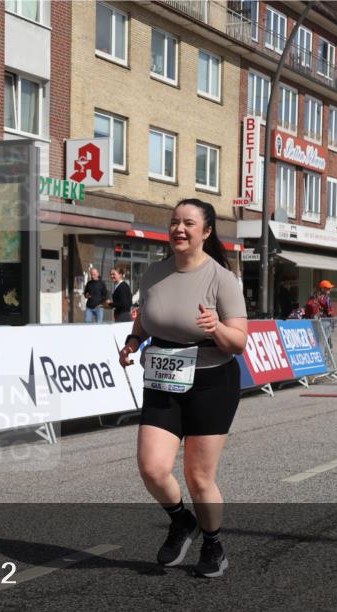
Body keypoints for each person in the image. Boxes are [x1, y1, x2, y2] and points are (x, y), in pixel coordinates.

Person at [118, 198, 247, 578]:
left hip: (211, 381)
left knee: (198, 477)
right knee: (152, 468)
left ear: (206, 232)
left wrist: (216, 327)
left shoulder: (222, 279)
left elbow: (238, 342)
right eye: (174, 222)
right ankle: (181, 521)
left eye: (188, 223)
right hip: (162, 377)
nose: (179, 229)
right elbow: (146, 320)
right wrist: (133, 341)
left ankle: (213, 544)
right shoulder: (153, 274)